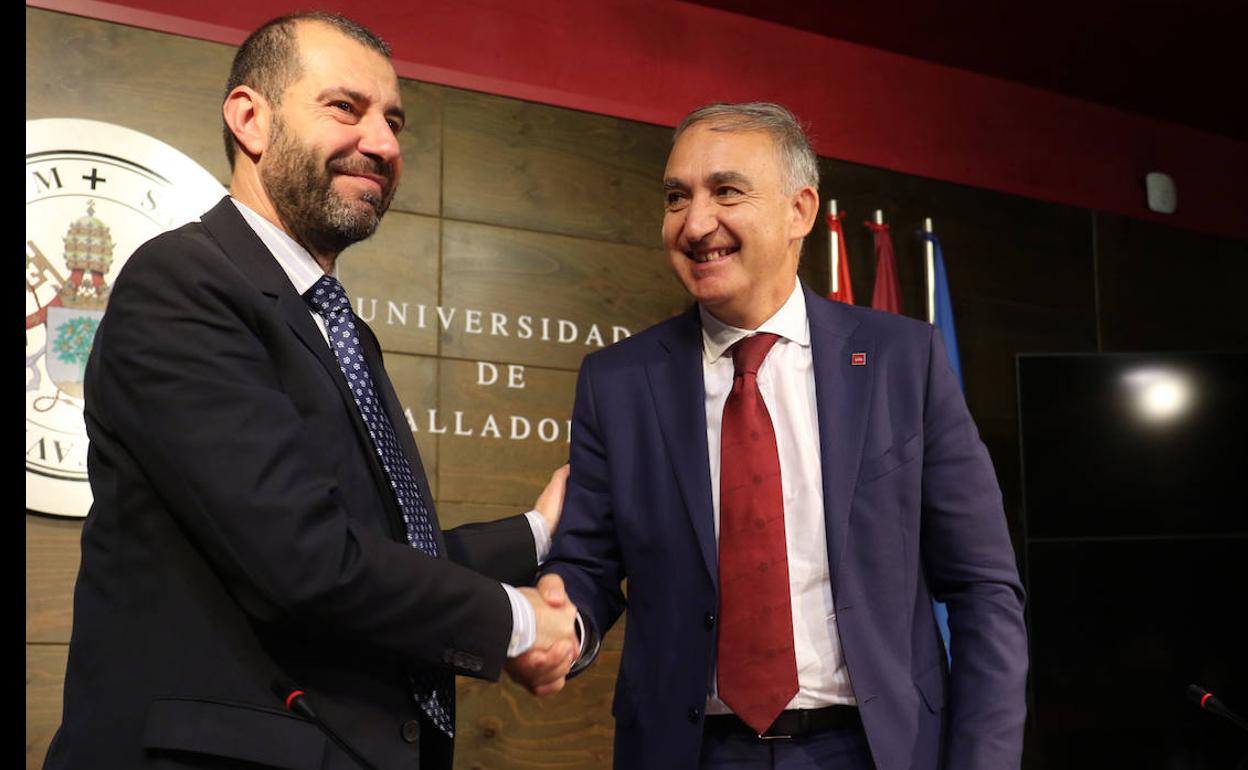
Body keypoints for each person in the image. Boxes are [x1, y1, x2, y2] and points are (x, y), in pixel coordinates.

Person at [44, 13, 576, 770]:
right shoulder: (183, 283)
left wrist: (537, 531)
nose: (385, 144)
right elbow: (303, 557)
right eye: (345, 108)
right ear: (250, 119)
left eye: (394, 121)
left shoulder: (340, 327)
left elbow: (380, 550)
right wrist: (519, 623)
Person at [534, 103, 1028, 769]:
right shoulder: (618, 382)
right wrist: (561, 628)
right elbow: (588, 568)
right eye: (676, 197)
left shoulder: (902, 360)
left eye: (726, 191)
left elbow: (982, 586)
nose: (695, 222)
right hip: (694, 752)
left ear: (800, 211)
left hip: (877, 749)